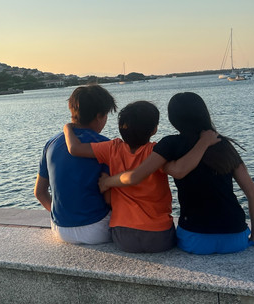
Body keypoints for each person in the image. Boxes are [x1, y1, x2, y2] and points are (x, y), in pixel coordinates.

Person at [99, 92, 254, 255]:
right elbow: (253, 194)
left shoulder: (170, 144)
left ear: (173, 119)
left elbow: (150, 174)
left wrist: (107, 182)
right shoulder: (223, 145)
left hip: (195, 239)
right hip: (236, 238)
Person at [64, 100, 220, 253]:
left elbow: (75, 148)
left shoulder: (111, 148)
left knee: (104, 175)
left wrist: (67, 128)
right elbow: (180, 169)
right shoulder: (157, 152)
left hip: (123, 237)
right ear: (154, 130)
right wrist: (203, 143)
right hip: (160, 237)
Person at [34, 84, 117, 244]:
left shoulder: (51, 143)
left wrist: (64, 217)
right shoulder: (106, 145)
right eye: (106, 115)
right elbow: (111, 198)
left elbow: (39, 192)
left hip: (60, 229)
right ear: (99, 115)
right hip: (97, 229)